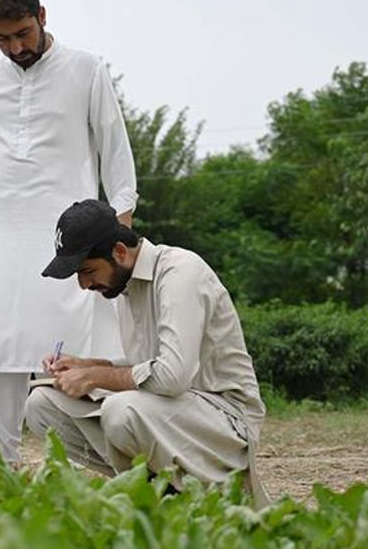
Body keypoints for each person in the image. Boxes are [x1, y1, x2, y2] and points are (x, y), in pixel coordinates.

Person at [0, 0, 138, 464]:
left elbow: (116, 156)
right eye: (2, 38)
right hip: (1, 236)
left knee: (76, 342)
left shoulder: (86, 69)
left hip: (69, 238)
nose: (15, 47)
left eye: (23, 34)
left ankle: (88, 461)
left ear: (43, 16)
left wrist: (119, 236)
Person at [26, 199, 269, 507]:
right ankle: (160, 489)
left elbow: (172, 376)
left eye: (87, 270)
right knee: (41, 405)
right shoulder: (125, 286)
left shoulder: (180, 272)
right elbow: (144, 368)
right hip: (169, 412)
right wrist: (87, 365)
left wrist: (94, 377)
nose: (84, 284)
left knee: (121, 411)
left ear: (119, 252)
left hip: (225, 422)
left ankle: (165, 496)